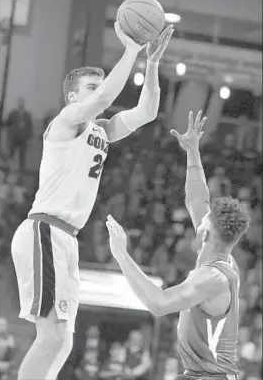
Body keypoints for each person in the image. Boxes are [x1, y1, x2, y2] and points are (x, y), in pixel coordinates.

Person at [11, 21, 174, 380]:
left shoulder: (101, 129)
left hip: (67, 238)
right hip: (45, 230)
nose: (100, 92)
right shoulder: (65, 121)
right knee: (51, 337)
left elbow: (146, 112)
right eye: (91, 87)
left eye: (101, 86)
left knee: (64, 341)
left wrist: (151, 64)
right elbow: (103, 101)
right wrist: (130, 49)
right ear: (72, 97)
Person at [106, 110, 250, 380]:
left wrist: (122, 255)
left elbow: (159, 304)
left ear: (205, 235)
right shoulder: (219, 255)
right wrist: (192, 151)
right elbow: (197, 199)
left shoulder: (212, 278)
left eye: (202, 223)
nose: (197, 218)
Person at [5, 97, 33, 171]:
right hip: (14, 137)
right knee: (11, 153)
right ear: (18, 104)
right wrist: (10, 132)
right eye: (20, 102)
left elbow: (30, 126)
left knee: (22, 155)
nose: (21, 104)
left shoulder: (27, 115)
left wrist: (29, 135)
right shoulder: (13, 113)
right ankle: (7, 168)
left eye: (22, 103)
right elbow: (7, 123)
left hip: (23, 138)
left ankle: (21, 169)